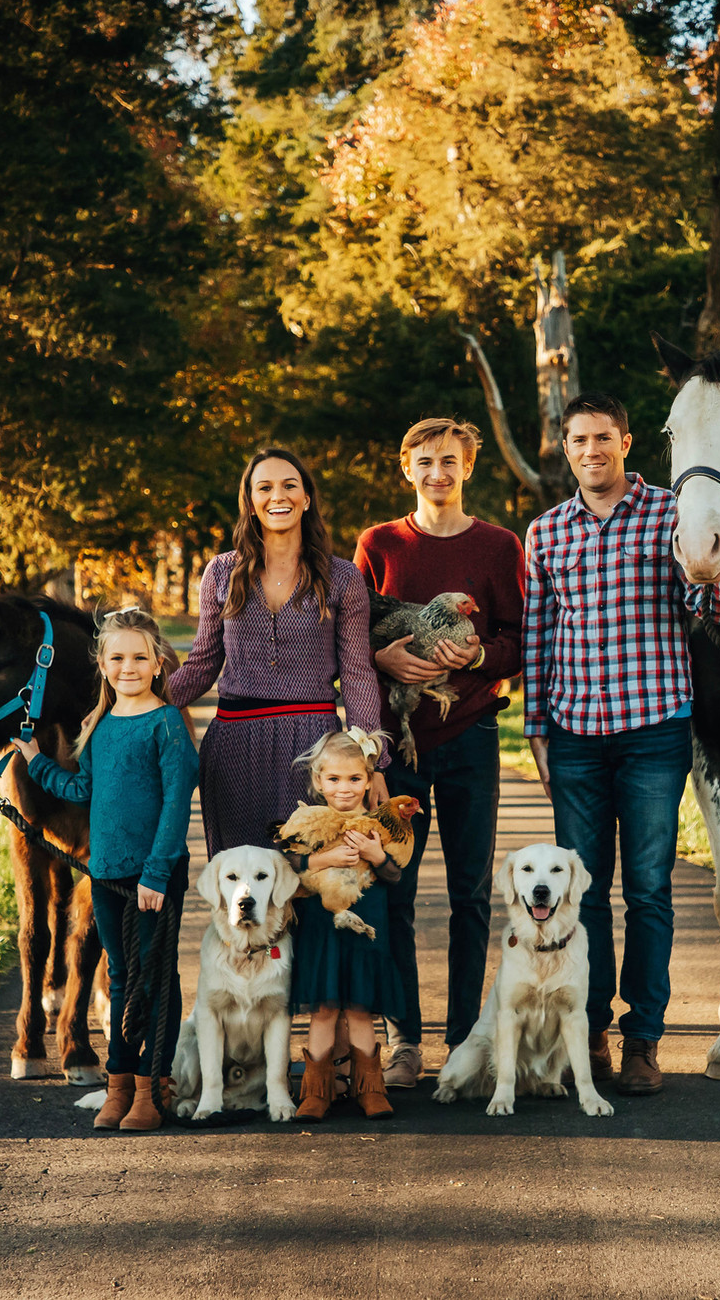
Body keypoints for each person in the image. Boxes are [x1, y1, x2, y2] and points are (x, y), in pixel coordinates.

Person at [521, 393, 720, 1097]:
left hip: (652, 731)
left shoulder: (667, 514)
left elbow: (703, 607)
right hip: (575, 733)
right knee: (581, 895)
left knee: (647, 891)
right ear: (566, 447)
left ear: (626, 441)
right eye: (579, 439)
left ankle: (643, 1039)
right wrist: (536, 730)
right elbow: (538, 637)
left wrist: (714, 580)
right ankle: (590, 1032)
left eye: (603, 438)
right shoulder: (546, 532)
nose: (591, 450)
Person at [353, 418, 523, 1089]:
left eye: (448, 461)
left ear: (467, 468)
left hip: (472, 740)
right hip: (397, 750)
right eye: (424, 462)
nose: (437, 473)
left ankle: (461, 1040)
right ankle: (404, 1041)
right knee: (393, 888)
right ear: (406, 468)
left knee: (470, 895)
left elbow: (518, 638)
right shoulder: (379, 545)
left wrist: (479, 653)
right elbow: (352, 642)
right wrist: (378, 657)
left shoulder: (497, 545)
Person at [15, 609, 199, 1132]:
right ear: (102, 663)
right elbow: (83, 791)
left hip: (152, 879)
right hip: (107, 875)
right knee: (119, 977)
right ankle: (118, 1084)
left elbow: (175, 806)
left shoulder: (165, 725)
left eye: (140, 657)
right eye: (117, 657)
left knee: (154, 978)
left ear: (159, 663)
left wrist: (157, 875)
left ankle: (151, 1086)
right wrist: (36, 761)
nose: (128, 667)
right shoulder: (98, 728)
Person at [166, 445, 390, 859]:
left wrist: (371, 761)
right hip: (234, 746)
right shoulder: (221, 572)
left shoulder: (342, 578)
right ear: (250, 503)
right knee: (242, 880)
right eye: (264, 488)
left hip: (313, 748)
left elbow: (358, 673)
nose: (278, 496)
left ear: (307, 498)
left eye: (290, 486)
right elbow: (200, 664)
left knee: (310, 873)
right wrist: (131, 709)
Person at [282, 727, 406, 1121]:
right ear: (319, 781)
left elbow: (396, 876)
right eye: (334, 779)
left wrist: (375, 854)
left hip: (366, 929)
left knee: (359, 1010)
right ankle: (316, 1091)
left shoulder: (379, 826)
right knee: (323, 1010)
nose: (345, 788)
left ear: (369, 780)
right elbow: (289, 864)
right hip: (322, 929)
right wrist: (325, 859)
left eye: (355, 779)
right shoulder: (309, 820)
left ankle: (370, 1087)